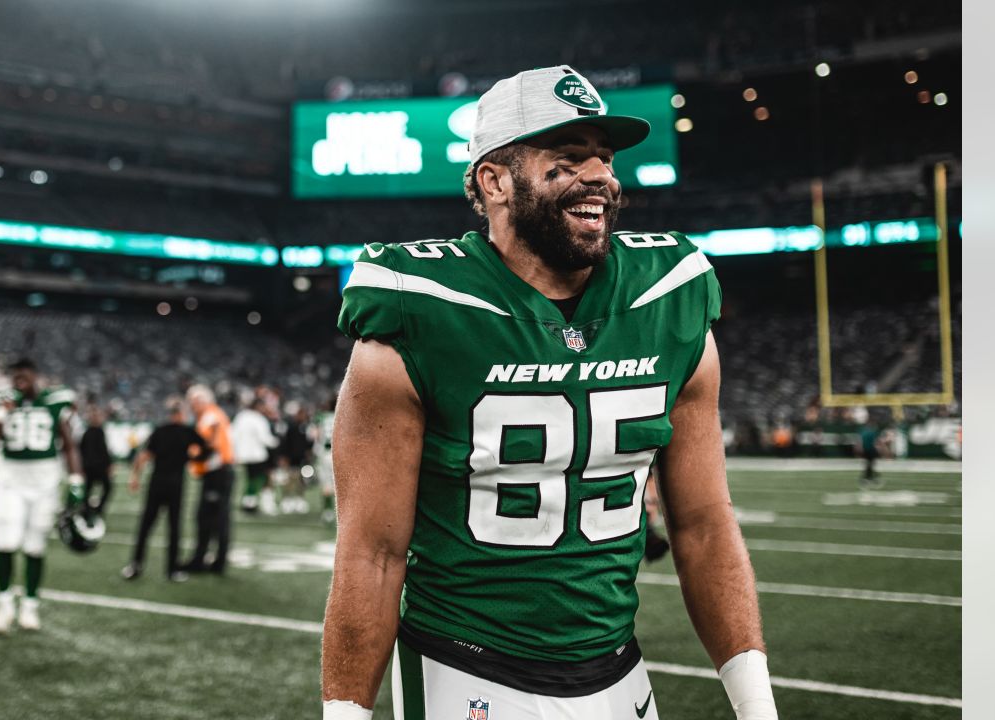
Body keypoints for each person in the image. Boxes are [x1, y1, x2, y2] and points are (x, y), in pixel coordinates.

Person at [321, 66, 777, 720]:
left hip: (619, 668)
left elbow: (704, 525)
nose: (600, 177)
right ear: (494, 180)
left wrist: (757, 706)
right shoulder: (420, 310)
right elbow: (371, 553)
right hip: (467, 667)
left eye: (605, 158)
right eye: (566, 161)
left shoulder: (666, 296)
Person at [0, 359, 82, 635]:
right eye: (14, 376)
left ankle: (29, 606)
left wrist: (76, 480)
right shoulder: (2, 402)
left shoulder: (54, 400)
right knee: (5, 541)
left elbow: (69, 443)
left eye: (23, 375)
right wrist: (1, 414)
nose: (18, 380)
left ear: (35, 375)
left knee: (35, 546)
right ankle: (3, 605)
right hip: (11, 479)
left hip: (45, 480)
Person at [122, 399, 209, 582]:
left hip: (157, 482)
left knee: (146, 526)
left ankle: (136, 565)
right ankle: (172, 570)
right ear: (182, 414)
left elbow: (143, 456)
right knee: (174, 528)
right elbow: (205, 450)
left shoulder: (160, 430)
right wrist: (193, 459)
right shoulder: (188, 431)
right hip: (175, 484)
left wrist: (134, 477)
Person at [184, 385, 236, 574]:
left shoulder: (210, 417)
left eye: (193, 402)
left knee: (210, 518)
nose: (191, 406)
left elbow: (210, 447)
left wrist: (191, 456)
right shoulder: (215, 415)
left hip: (217, 474)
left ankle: (204, 560)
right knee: (215, 518)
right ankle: (213, 560)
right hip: (220, 472)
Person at [232, 394, 279, 515]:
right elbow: (265, 438)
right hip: (256, 455)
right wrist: (277, 442)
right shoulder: (258, 418)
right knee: (258, 479)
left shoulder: (240, 416)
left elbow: (233, 435)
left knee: (250, 478)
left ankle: (247, 501)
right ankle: (250, 502)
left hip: (242, 454)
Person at [79, 405, 114, 516]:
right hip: (98, 467)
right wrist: (109, 465)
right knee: (107, 487)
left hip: (89, 466)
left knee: (88, 490)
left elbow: (81, 450)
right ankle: (96, 509)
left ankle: (86, 509)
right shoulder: (98, 431)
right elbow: (103, 450)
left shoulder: (87, 432)